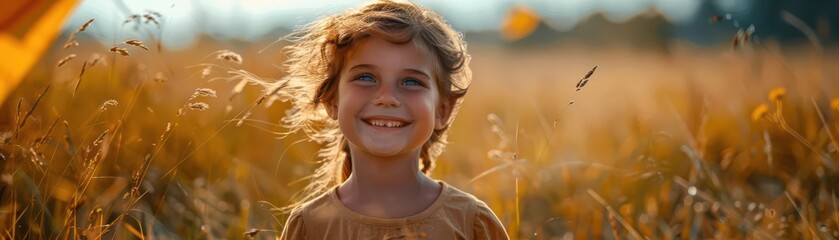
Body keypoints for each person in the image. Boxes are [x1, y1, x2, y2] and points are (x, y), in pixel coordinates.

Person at [274, 0, 509, 239]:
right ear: (332, 101)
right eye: (366, 77)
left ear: (442, 110)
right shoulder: (310, 226)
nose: (387, 98)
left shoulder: (471, 223)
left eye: (411, 82)